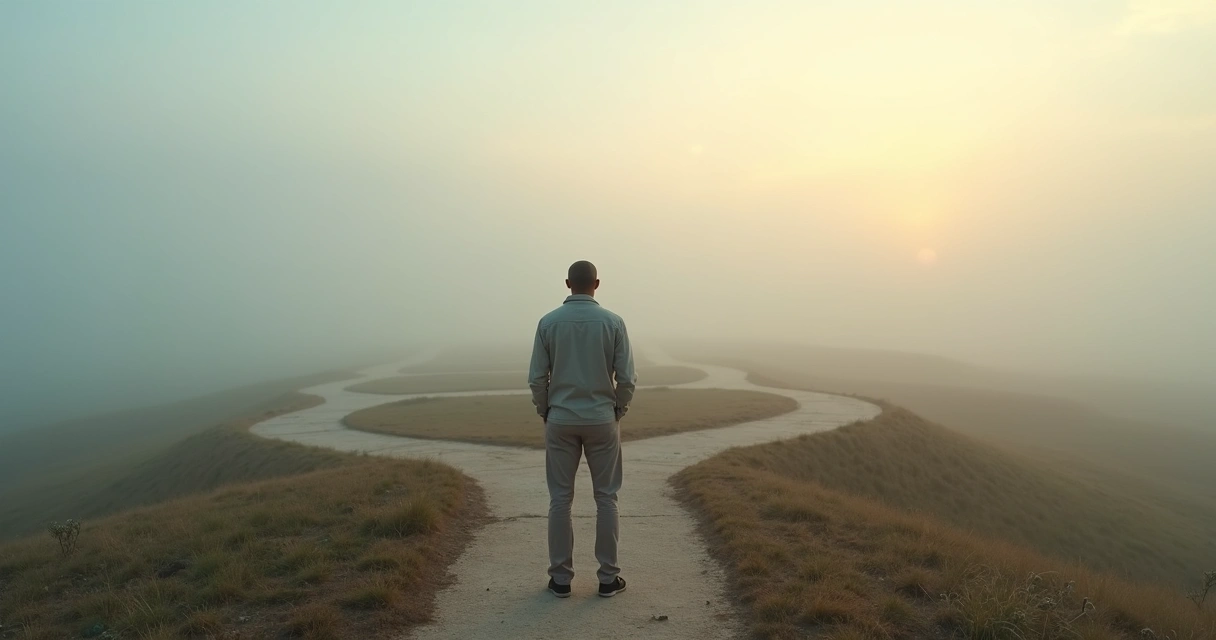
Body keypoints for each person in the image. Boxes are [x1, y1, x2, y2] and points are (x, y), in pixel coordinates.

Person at [528, 260, 636, 598]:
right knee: (606, 498)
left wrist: (545, 409)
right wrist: (618, 408)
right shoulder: (613, 322)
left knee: (560, 499)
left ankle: (561, 579)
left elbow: (536, 378)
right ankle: (608, 578)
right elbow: (628, 379)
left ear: (567, 283)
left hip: (560, 418)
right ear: (597, 284)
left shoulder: (548, 322)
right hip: (602, 419)